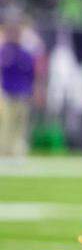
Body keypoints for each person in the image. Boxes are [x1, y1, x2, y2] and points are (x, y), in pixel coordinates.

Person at [0, 20, 38, 157]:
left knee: (20, 125)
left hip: (22, 94)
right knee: (6, 124)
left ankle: (18, 150)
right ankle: (4, 151)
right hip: (7, 94)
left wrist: (33, 91)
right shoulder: (4, 51)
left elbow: (32, 74)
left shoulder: (24, 53)